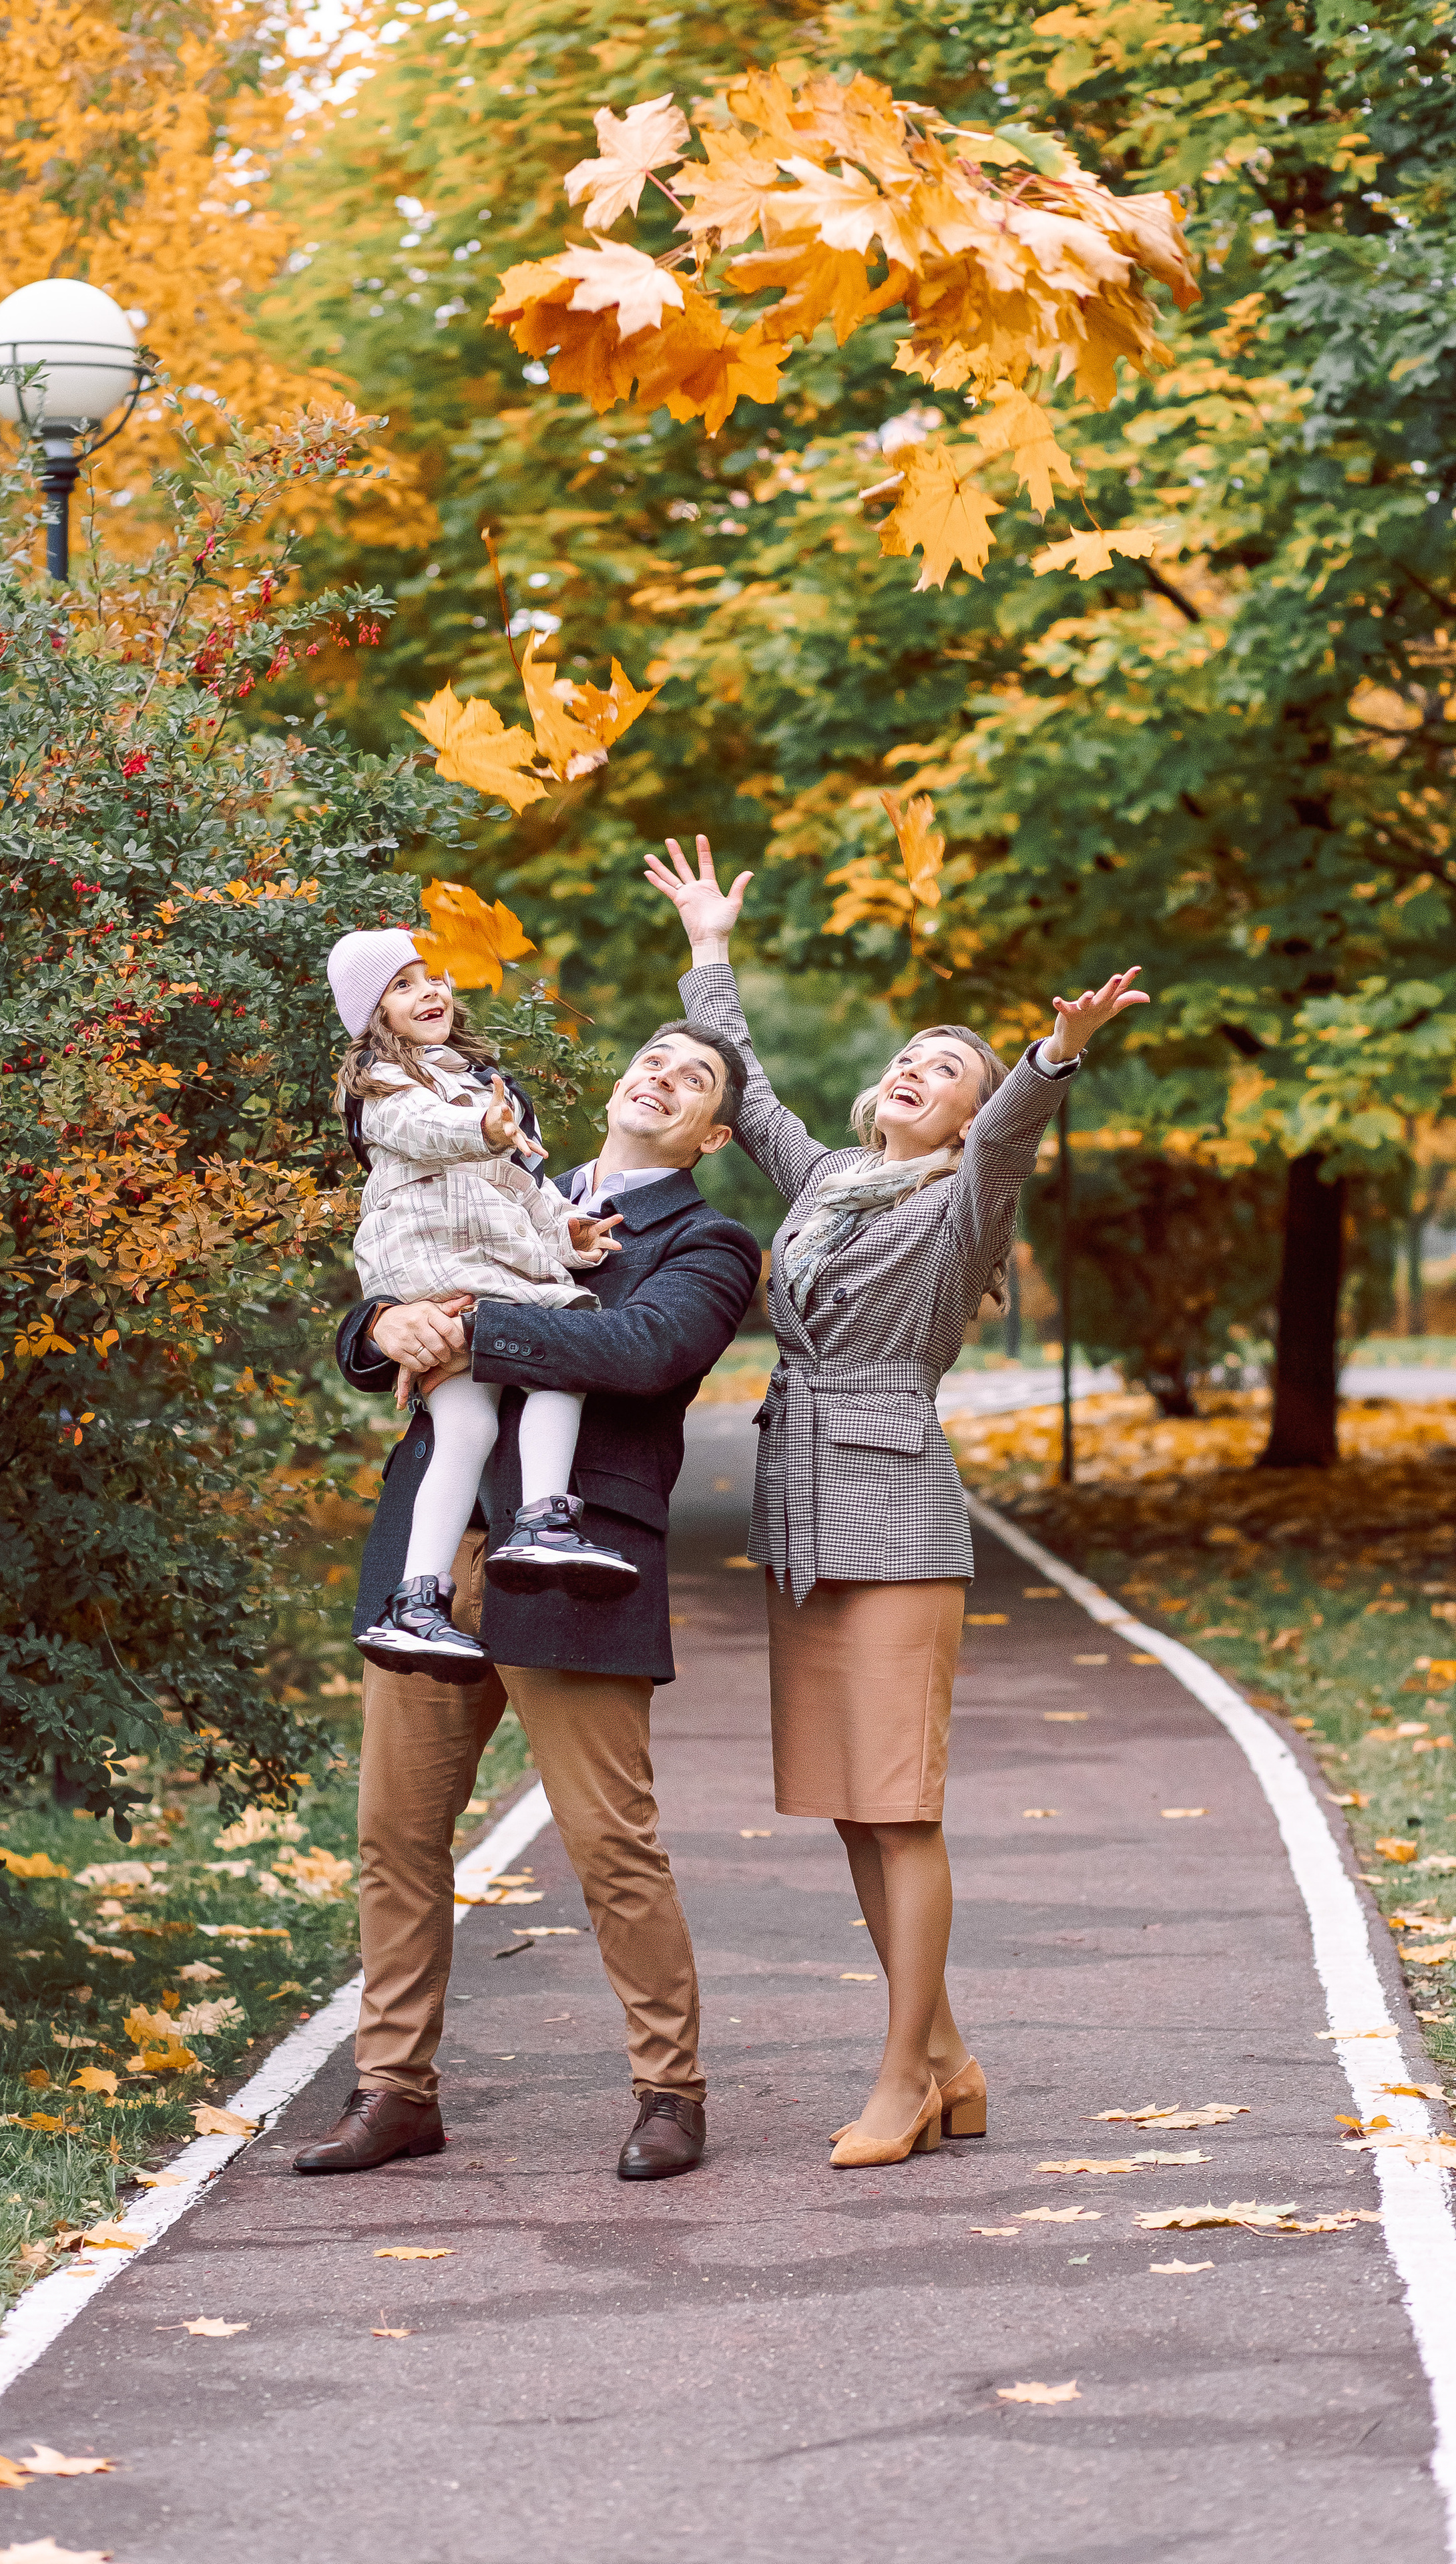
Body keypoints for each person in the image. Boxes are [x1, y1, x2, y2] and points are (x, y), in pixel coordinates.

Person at [647, 831, 1147, 2169]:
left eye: (950, 1068)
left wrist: (1045, 1060)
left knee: (901, 1803)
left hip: (890, 1511)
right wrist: (709, 949)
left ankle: (903, 2082)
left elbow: (1004, 1141)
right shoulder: (826, 1186)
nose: (919, 1070)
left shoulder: (960, 1203)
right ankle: (945, 2058)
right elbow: (742, 1093)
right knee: (852, 1804)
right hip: (799, 1514)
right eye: (910, 1057)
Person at [291, 1017, 763, 2183]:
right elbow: (397, 1261)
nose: (661, 1074)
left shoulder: (711, 1243)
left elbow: (642, 1352)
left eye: (693, 1076)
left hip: (577, 1554)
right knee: (396, 1838)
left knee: (610, 1846)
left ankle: (671, 2092)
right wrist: (377, 1326)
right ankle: (395, 2091)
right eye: (651, 1055)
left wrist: (462, 1324)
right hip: (435, 1554)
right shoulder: (502, 1171)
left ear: (713, 1130)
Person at [326, 928, 638, 1685]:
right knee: (543, 1366)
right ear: (373, 1017)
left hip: (493, 1258)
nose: (428, 991)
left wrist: (569, 1233)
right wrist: (482, 1126)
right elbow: (426, 1135)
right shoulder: (382, 1089)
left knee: (489, 1408)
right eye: (401, 986)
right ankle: (525, 1530)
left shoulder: (480, 1082)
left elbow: (522, 1188)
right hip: (437, 1257)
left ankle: (435, 1587)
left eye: (430, 976)